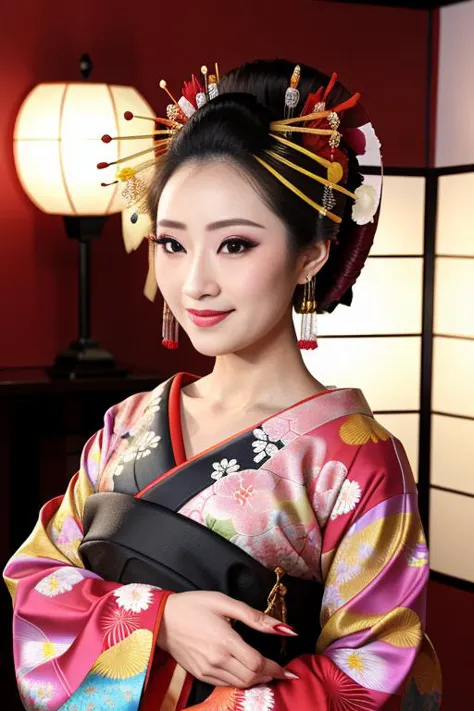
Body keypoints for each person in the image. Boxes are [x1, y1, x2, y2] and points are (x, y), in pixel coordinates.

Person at [4, 59, 442, 711]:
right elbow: (35, 577)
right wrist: (159, 617)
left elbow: (371, 669)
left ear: (310, 253)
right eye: (173, 244)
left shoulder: (358, 460)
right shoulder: (127, 423)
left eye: (234, 244)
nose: (194, 283)